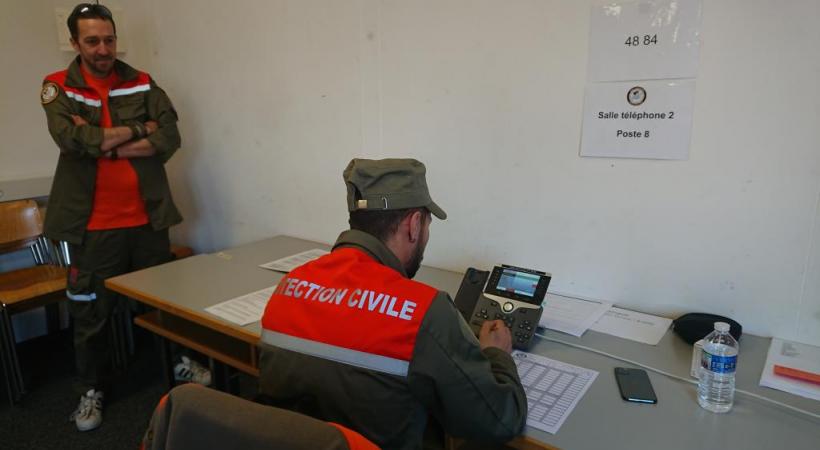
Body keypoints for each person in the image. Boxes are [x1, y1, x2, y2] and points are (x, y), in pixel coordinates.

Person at [257, 158, 527, 449]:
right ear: (414, 224)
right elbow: (500, 419)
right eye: (426, 224)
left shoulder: (290, 285)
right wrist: (496, 355)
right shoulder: (424, 312)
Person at [39, 3, 196, 431]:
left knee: (164, 302)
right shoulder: (58, 87)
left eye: (108, 39)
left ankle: (180, 366)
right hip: (92, 227)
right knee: (92, 316)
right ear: (75, 43)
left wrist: (111, 141)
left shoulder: (141, 82)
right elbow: (71, 140)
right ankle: (89, 392)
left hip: (147, 219)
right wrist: (140, 129)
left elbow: (170, 137)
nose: (103, 48)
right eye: (92, 40)